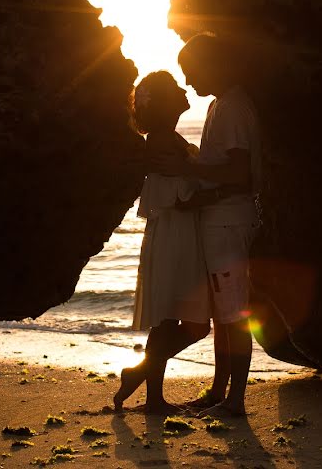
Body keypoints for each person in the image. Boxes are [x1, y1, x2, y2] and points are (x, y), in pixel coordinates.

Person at [154, 33, 262, 417]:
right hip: (219, 221)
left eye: (191, 70)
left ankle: (235, 402)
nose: (188, 80)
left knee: (235, 315)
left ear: (212, 63)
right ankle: (219, 392)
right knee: (223, 316)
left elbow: (239, 173)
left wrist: (187, 169)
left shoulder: (232, 106)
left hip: (229, 223)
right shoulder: (221, 103)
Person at [112, 71, 212, 415]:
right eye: (175, 90)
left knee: (194, 324)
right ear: (166, 105)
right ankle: (153, 398)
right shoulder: (162, 141)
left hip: (178, 233)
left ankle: (140, 376)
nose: (184, 90)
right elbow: (177, 197)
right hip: (175, 234)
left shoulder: (167, 138)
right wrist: (219, 192)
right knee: (173, 320)